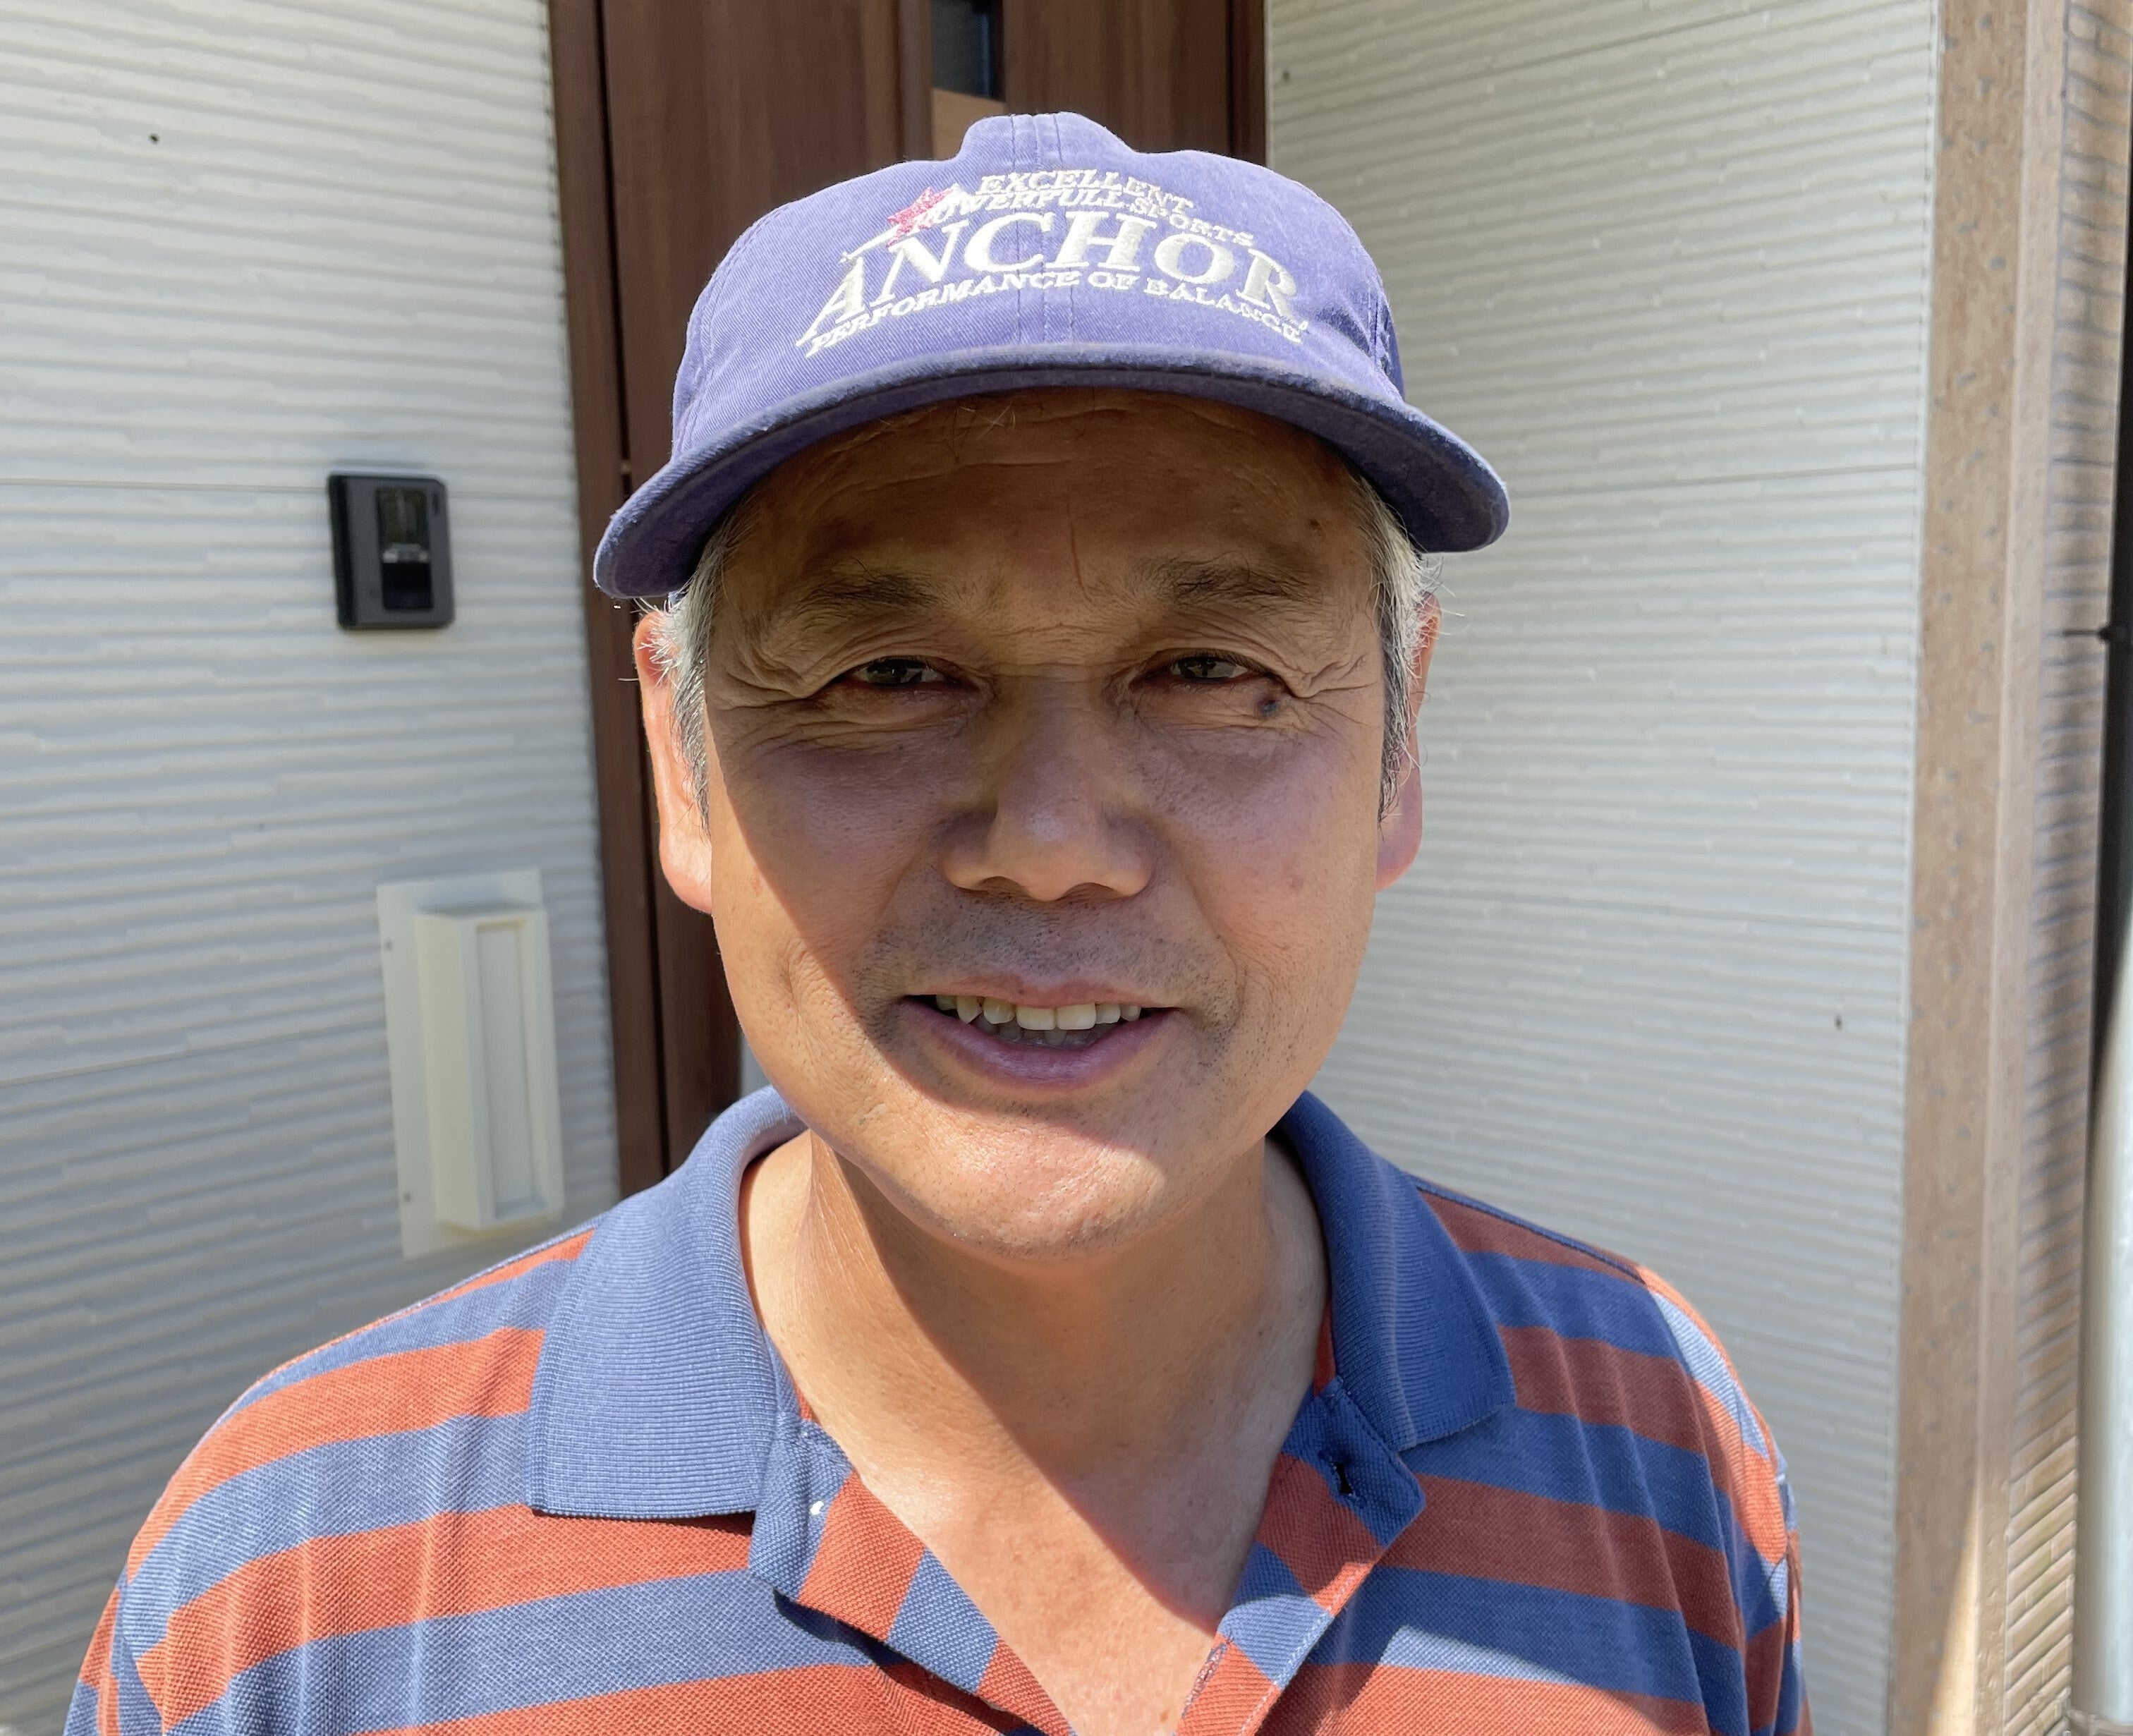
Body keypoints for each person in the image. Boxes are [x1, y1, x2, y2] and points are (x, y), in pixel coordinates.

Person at [72, 112, 1807, 1736]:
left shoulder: (1659, 1435)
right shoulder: (288, 1591)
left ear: (1400, 747)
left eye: (1214, 669)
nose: (1049, 847)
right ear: (681, 761)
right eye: (886, 674)